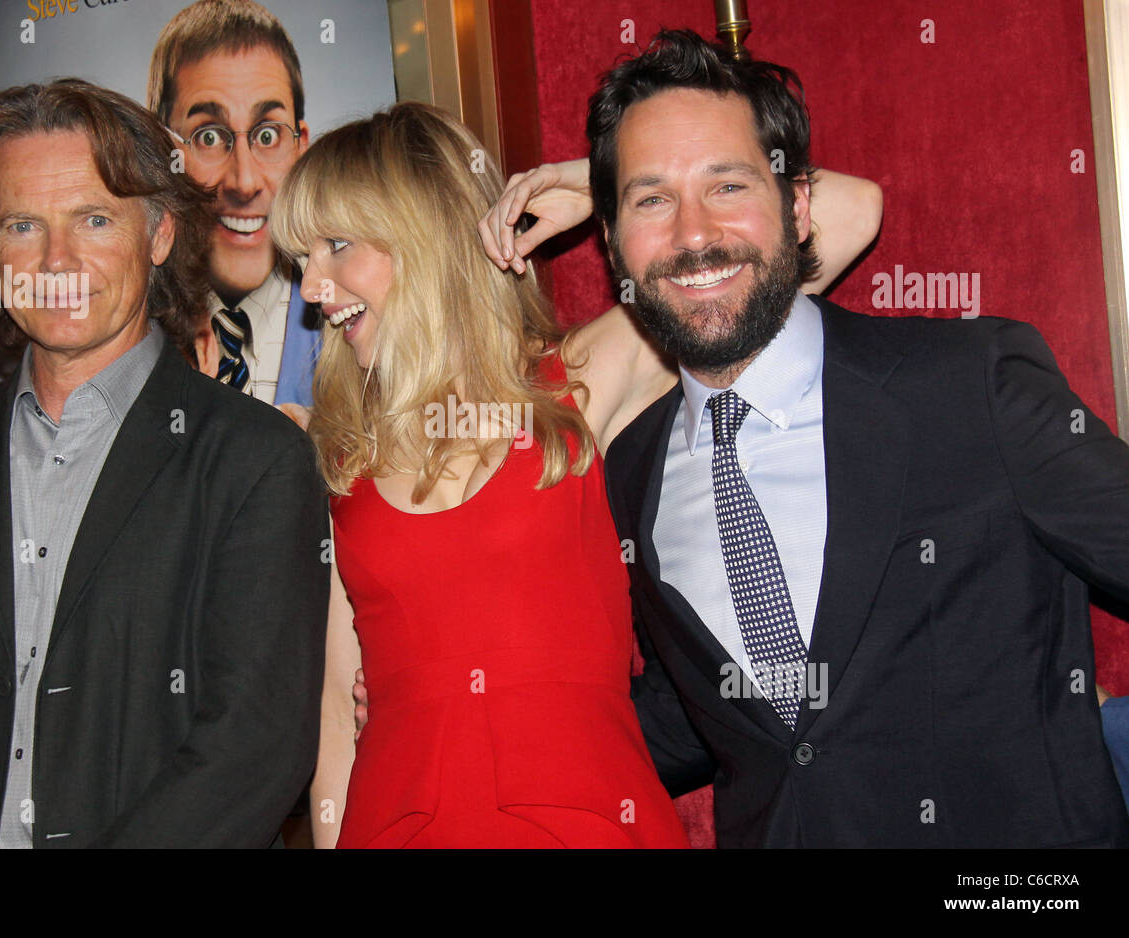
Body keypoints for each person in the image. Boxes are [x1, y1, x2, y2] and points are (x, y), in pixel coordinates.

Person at [270, 99, 878, 848]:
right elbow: (335, 712)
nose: (312, 289)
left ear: (422, 231)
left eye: (335, 245)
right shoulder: (338, 459)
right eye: (302, 262)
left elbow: (852, 211)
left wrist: (613, 187)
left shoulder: (577, 385)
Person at [583, 31, 1128, 846]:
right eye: (651, 198)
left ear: (797, 207)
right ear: (613, 238)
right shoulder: (631, 472)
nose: (694, 235)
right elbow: (698, 713)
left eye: (727, 185)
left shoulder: (969, 384)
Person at [0, 79, 329, 848]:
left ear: (159, 235)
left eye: (94, 219)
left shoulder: (255, 463)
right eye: (24, 225)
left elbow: (254, 744)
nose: (56, 260)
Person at [148, 0, 320, 409]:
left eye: (267, 136)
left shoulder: (357, 332)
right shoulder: (128, 342)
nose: (244, 181)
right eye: (208, 137)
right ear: (162, 154)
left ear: (301, 150)